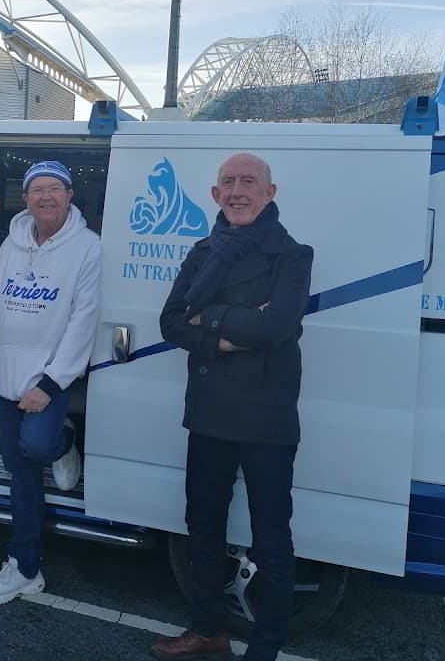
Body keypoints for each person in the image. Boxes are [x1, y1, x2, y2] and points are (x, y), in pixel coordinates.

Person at [151, 153, 313, 661]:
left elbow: (276, 328)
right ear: (215, 195)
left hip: (266, 418)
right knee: (202, 526)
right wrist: (235, 327)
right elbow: (172, 323)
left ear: (270, 192)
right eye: (229, 183)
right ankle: (208, 630)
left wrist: (210, 324)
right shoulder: (203, 252)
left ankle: (263, 649)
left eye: (249, 182)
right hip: (208, 412)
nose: (238, 190)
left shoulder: (292, 255)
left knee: (271, 539)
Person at [0, 160, 102, 606]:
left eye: (55, 189)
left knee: (36, 447)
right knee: (19, 472)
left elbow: (83, 323)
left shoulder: (87, 248)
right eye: (37, 190)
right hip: (7, 373)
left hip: (48, 377)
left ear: (69, 196)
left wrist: (50, 384)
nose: (45, 197)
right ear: (25, 197)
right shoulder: (13, 243)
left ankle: (63, 442)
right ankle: (25, 566)